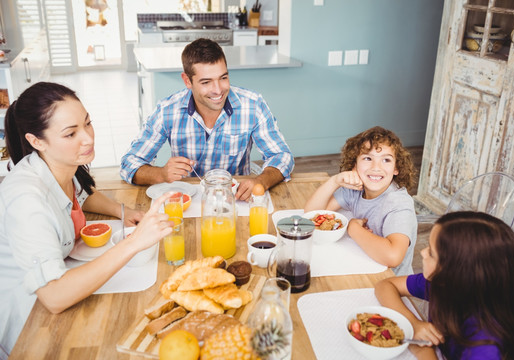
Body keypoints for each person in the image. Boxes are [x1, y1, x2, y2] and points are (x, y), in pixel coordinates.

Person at [0, 82, 174, 357]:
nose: (88, 138)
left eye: (88, 123)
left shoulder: (59, 165)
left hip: (66, 283)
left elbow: (82, 195)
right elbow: (54, 296)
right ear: (36, 141)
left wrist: (124, 212)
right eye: (71, 134)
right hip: (30, 321)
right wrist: (133, 244)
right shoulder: (25, 200)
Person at [120, 38, 294, 201]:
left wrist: (261, 181)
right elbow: (130, 162)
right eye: (206, 82)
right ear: (187, 81)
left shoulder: (253, 104)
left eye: (223, 78)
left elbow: (281, 155)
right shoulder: (167, 110)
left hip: (235, 199)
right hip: (188, 200)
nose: (218, 90)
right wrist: (161, 174)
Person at [375, 212, 514, 359]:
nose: (423, 252)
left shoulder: (485, 348)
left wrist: (423, 350)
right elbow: (385, 285)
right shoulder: (443, 285)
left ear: (456, 272)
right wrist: (414, 324)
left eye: (431, 253)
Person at [304, 126, 417, 275]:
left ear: (396, 168)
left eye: (386, 160)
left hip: (389, 281)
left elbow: (393, 257)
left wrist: (353, 228)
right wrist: (334, 181)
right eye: (367, 158)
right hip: (363, 264)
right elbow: (311, 215)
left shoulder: (398, 203)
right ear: (354, 165)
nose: (376, 167)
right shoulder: (355, 189)